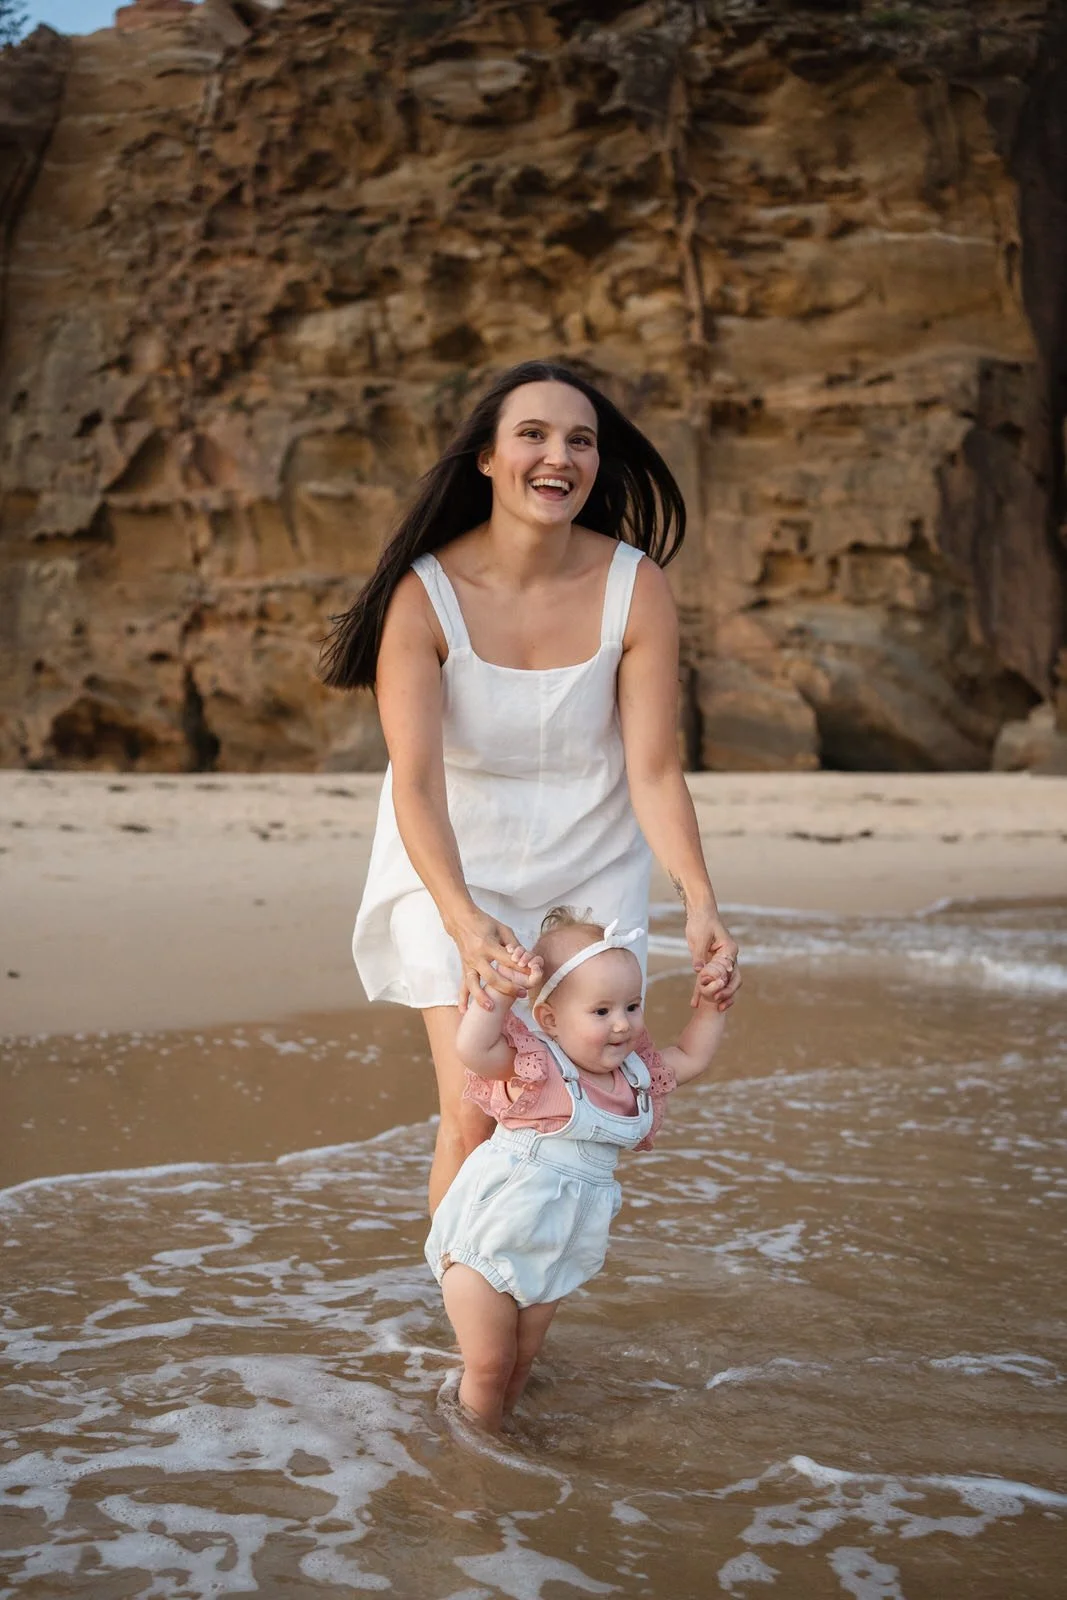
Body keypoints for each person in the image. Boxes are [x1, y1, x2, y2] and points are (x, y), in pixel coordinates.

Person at [321, 359, 740, 1214]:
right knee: (476, 1113)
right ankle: (470, 1339)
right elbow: (417, 785)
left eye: (579, 439)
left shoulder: (635, 585)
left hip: (591, 862)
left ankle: (526, 1315)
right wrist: (463, 919)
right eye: (533, 435)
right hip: (452, 862)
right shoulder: (424, 596)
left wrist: (698, 899)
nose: (559, 456)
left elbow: (653, 766)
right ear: (484, 457)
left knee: (568, 1119)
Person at [425, 907, 729, 1431]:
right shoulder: (539, 1070)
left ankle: (506, 1434)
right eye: (601, 1011)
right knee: (490, 1363)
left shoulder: (634, 1075)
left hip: (556, 1252)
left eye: (633, 1006)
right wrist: (498, 994)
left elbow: (692, 1057)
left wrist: (712, 1006)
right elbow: (472, 1047)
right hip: (489, 1243)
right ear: (549, 1021)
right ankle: (472, 1453)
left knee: (521, 1363)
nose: (622, 1024)